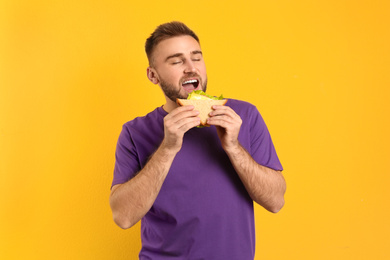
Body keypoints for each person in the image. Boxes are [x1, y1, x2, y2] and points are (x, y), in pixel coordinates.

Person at [109, 21, 286, 260]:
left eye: (196, 57)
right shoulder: (135, 132)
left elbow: (276, 201)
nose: (191, 68)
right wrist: (167, 148)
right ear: (153, 75)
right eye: (176, 61)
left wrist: (233, 147)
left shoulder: (244, 116)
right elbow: (123, 216)